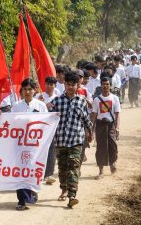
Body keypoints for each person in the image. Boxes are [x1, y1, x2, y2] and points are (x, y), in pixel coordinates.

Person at [49, 71, 93, 208]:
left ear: (77, 85)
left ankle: (72, 195)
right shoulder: (56, 101)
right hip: (61, 140)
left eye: (72, 84)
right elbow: (48, 118)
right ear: (64, 85)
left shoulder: (81, 101)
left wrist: (90, 132)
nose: (70, 87)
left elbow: (86, 119)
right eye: (67, 84)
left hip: (76, 140)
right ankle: (64, 189)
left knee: (73, 167)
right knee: (62, 168)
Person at [11, 78, 48, 211]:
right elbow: (10, 123)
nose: (27, 92)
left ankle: (32, 191)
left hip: (35, 146)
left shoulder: (41, 106)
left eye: (30, 89)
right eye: (25, 89)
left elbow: (46, 124)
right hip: (19, 144)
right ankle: (21, 200)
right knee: (20, 172)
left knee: (32, 170)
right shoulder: (15, 106)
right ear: (21, 91)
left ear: (35, 91)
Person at [91, 77, 120, 179]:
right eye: (103, 84)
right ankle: (101, 171)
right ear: (101, 85)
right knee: (100, 148)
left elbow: (117, 114)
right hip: (100, 125)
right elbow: (94, 115)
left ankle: (112, 164)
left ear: (110, 85)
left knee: (113, 146)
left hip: (111, 125)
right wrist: (91, 129)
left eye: (107, 84)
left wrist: (117, 127)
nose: (105, 86)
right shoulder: (96, 99)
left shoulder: (115, 98)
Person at [35, 76, 58, 185]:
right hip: (40, 128)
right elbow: (34, 111)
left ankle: (49, 173)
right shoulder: (38, 97)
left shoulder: (57, 98)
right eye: (47, 84)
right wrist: (43, 105)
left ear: (55, 86)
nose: (49, 86)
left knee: (51, 150)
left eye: (51, 84)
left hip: (52, 128)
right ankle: (38, 173)